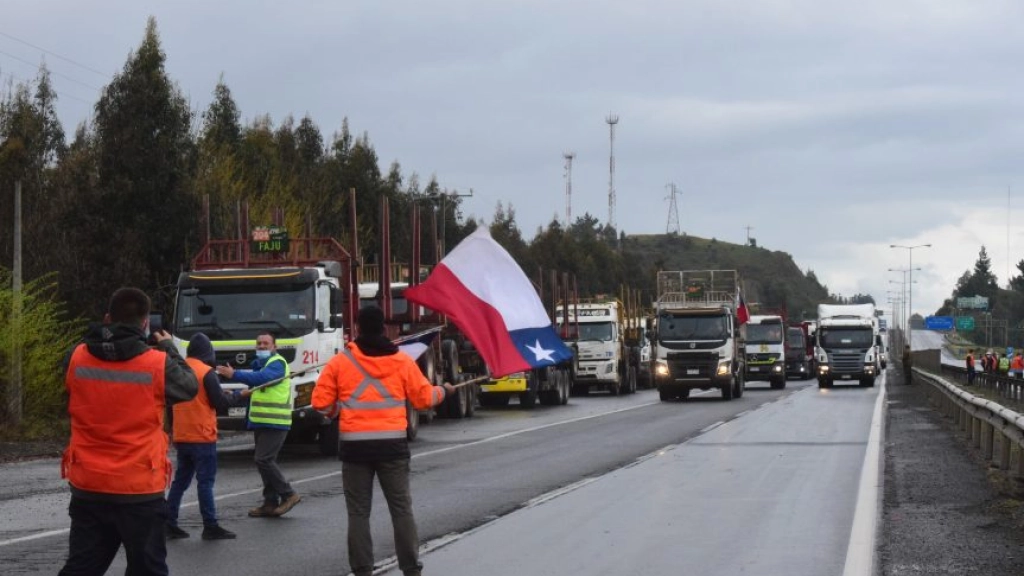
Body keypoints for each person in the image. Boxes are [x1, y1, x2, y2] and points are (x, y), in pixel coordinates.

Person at [59, 287, 198, 576]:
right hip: (139, 487)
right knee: (147, 569)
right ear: (146, 323)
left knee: (81, 568)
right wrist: (168, 347)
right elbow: (188, 387)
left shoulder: (76, 357)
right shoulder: (157, 363)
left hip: (89, 483)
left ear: (107, 318)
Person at [312, 306, 455, 576]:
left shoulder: (341, 362)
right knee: (401, 509)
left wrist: (336, 411)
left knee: (358, 512)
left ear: (357, 328)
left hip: (355, 449)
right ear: (383, 329)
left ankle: (362, 569)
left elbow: (320, 403)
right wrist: (444, 392)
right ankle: (411, 568)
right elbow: (424, 399)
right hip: (392, 447)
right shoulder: (401, 362)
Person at [216, 332, 301, 517]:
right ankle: (270, 503)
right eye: (259, 343)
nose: (261, 346)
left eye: (265, 343)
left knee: (263, 460)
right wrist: (235, 395)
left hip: (276, 421)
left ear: (274, 347)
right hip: (262, 420)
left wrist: (234, 374)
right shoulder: (260, 366)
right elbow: (258, 390)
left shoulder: (277, 363)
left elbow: (262, 379)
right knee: (265, 463)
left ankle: (289, 494)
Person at [165, 333, 236, 540]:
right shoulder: (206, 372)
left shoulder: (178, 370)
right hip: (202, 435)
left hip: (182, 434)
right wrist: (236, 397)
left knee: (180, 481)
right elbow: (219, 403)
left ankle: (169, 522)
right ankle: (210, 526)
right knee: (205, 482)